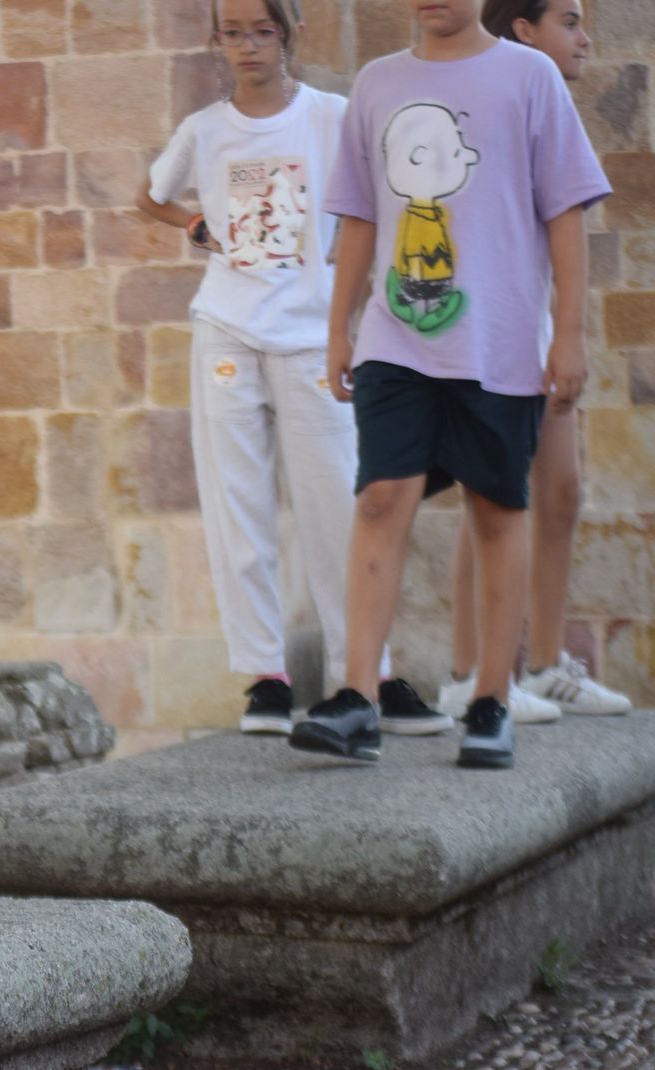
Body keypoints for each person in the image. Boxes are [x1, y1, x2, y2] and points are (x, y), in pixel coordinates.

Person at [289, 0, 611, 768]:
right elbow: (359, 215)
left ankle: (491, 699)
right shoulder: (377, 82)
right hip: (395, 340)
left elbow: (565, 213)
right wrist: (339, 327)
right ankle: (358, 697)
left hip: (499, 341)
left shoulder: (530, 77)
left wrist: (568, 333)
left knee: (496, 510)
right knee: (380, 497)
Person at [136, 0, 414, 737]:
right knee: (238, 503)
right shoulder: (204, 129)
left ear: (289, 34)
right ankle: (265, 677)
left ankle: (367, 674)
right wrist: (194, 225)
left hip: (312, 335)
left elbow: (379, 200)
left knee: (337, 503)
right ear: (217, 40)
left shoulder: (332, 117)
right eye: (234, 33)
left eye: (263, 31)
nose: (249, 47)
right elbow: (151, 196)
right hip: (226, 330)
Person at [435, 0, 631, 721]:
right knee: (488, 493)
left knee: (562, 490)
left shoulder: (541, 96)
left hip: (533, 322)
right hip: (485, 330)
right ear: (524, 28)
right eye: (569, 22)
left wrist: (564, 330)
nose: (585, 40)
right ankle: (466, 676)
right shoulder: (486, 91)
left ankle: (545, 666)